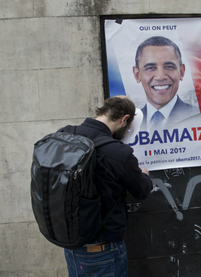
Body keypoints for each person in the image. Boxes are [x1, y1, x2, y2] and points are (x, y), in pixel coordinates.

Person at [63, 96, 153, 277]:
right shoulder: (119, 152)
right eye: (129, 127)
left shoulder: (66, 134)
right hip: (104, 251)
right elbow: (142, 191)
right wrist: (144, 175)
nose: (128, 131)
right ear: (124, 119)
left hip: (72, 247)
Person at [132, 36, 200, 130]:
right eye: (150, 68)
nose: (160, 77)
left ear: (182, 72)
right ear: (137, 74)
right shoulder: (130, 123)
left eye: (169, 67)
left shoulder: (199, 117)